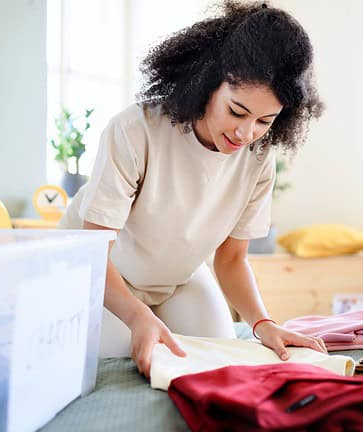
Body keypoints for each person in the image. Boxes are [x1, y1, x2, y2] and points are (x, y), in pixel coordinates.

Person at [58, 0, 326, 377]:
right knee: (128, 360)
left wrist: (263, 324)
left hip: (176, 279)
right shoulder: (135, 131)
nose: (246, 133)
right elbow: (93, 253)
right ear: (207, 82)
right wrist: (137, 317)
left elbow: (231, 259)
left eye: (265, 120)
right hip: (97, 274)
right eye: (237, 111)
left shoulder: (258, 158)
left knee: (218, 355)